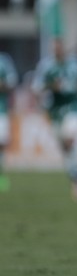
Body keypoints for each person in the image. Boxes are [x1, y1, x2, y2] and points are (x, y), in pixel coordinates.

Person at [32, 39, 77, 201]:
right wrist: (51, 87)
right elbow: (36, 88)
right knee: (66, 149)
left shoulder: (76, 64)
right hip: (55, 111)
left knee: (70, 141)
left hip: (73, 108)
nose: (57, 50)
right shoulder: (46, 66)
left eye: (60, 47)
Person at [0, 52, 18, 192]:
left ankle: (1, 176)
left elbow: (12, 83)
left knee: (1, 144)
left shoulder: (4, 61)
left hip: (1, 110)